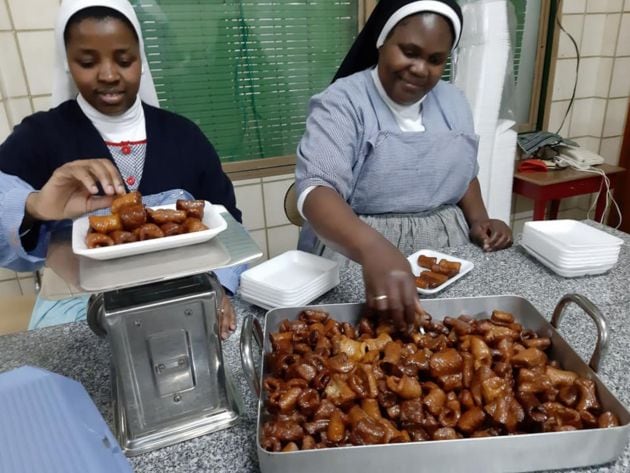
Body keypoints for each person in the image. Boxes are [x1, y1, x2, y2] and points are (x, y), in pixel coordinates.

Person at [0, 0, 241, 339]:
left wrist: (221, 289)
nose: (109, 75)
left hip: (182, 302)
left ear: (140, 60)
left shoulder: (184, 136)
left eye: (124, 60)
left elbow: (228, 219)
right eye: (87, 62)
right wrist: (35, 205)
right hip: (78, 309)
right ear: (67, 63)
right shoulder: (38, 137)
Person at [295, 0, 513, 330]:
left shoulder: (454, 102)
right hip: (359, 251)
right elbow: (315, 190)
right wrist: (371, 247)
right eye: (409, 52)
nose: (420, 69)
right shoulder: (342, 103)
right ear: (382, 41)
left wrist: (480, 220)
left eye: (435, 60)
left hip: (445, 252)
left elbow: (463, 171)